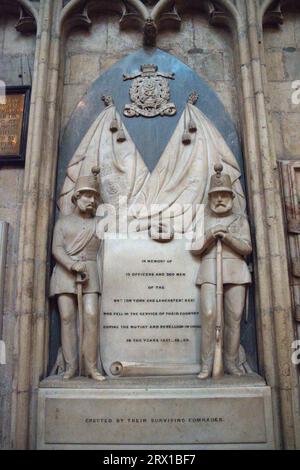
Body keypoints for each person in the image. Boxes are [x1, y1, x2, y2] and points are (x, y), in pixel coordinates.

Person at [191, 164, 252, 379]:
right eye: (215, 195)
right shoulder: (204, 219)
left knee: (233, 319)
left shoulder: (240, 220)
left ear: (231, 197)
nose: (219, 199)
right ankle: (207, 364)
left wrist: (227, 237)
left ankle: (231, 362)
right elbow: (194, 247)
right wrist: (209, 236)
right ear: (209, 198)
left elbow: (246, 248)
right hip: (209, 271)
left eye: (224, 195)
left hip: (236, 271)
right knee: (209, 315)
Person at [50, 167, 105, 381]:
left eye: (94, 196)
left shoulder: (98, 223)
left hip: (90, 272)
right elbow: (57, 249)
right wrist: (72, 265)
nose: (91, 200)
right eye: (87, 195)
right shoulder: (63, 222)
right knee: (67, 317)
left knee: (91, 316)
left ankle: (91, 366)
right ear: (77, 197)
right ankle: (71, 366)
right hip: (65, 274)